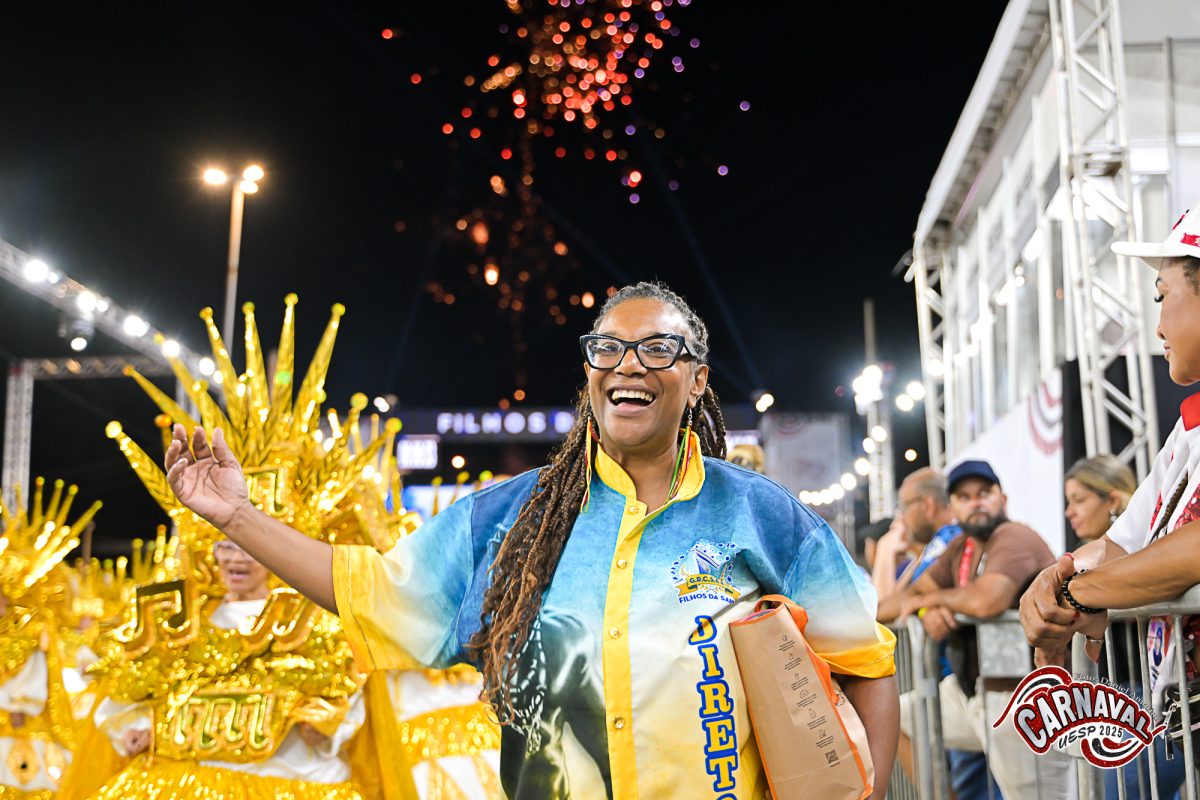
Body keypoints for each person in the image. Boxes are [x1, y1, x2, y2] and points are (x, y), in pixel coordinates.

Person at [162, 282, 900, 799]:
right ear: (589, 373)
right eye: (608, 349)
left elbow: (866, 665)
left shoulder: (762, 517)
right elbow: (372, 591)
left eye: (656, 350)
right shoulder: (506, 522)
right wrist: (236, 518)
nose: (628, 366)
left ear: (698, 379)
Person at [84, 537, 367, 800]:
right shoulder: (180, 618)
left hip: (284, 777)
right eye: (226, 547)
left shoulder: (308, 617)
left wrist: (324, 726)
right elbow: (153, 687)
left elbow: (343, 687)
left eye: (249, 548)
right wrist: (147, 728)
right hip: (187, 780)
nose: (237, 559)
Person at [879, 460, 1068, 800]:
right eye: (964, 497)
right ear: (952, 507)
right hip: (973, 690)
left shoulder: (1014, 536)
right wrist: (925, 608)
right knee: (895, 717)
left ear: (1002, 498)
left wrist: (934, 601)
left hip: (1023, 698)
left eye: (984, 493)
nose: (976, 502)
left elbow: (988, 601)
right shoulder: (961, 545)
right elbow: (897, 602)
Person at [878, 468, 997, 799]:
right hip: (965, 681)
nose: (902, 516)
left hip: (978, 684)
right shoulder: (951, 542)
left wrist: (922, 601)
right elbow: (902, 597)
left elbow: (901, 599)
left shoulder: (950, 539)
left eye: (905, 506)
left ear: (927, 504)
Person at [1064, 454, 1137, 543]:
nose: (1069, 513)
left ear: (1113, 501)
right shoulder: (1077, 555)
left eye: (1079, 500)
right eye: (1069, 502)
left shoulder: (1144, 548)